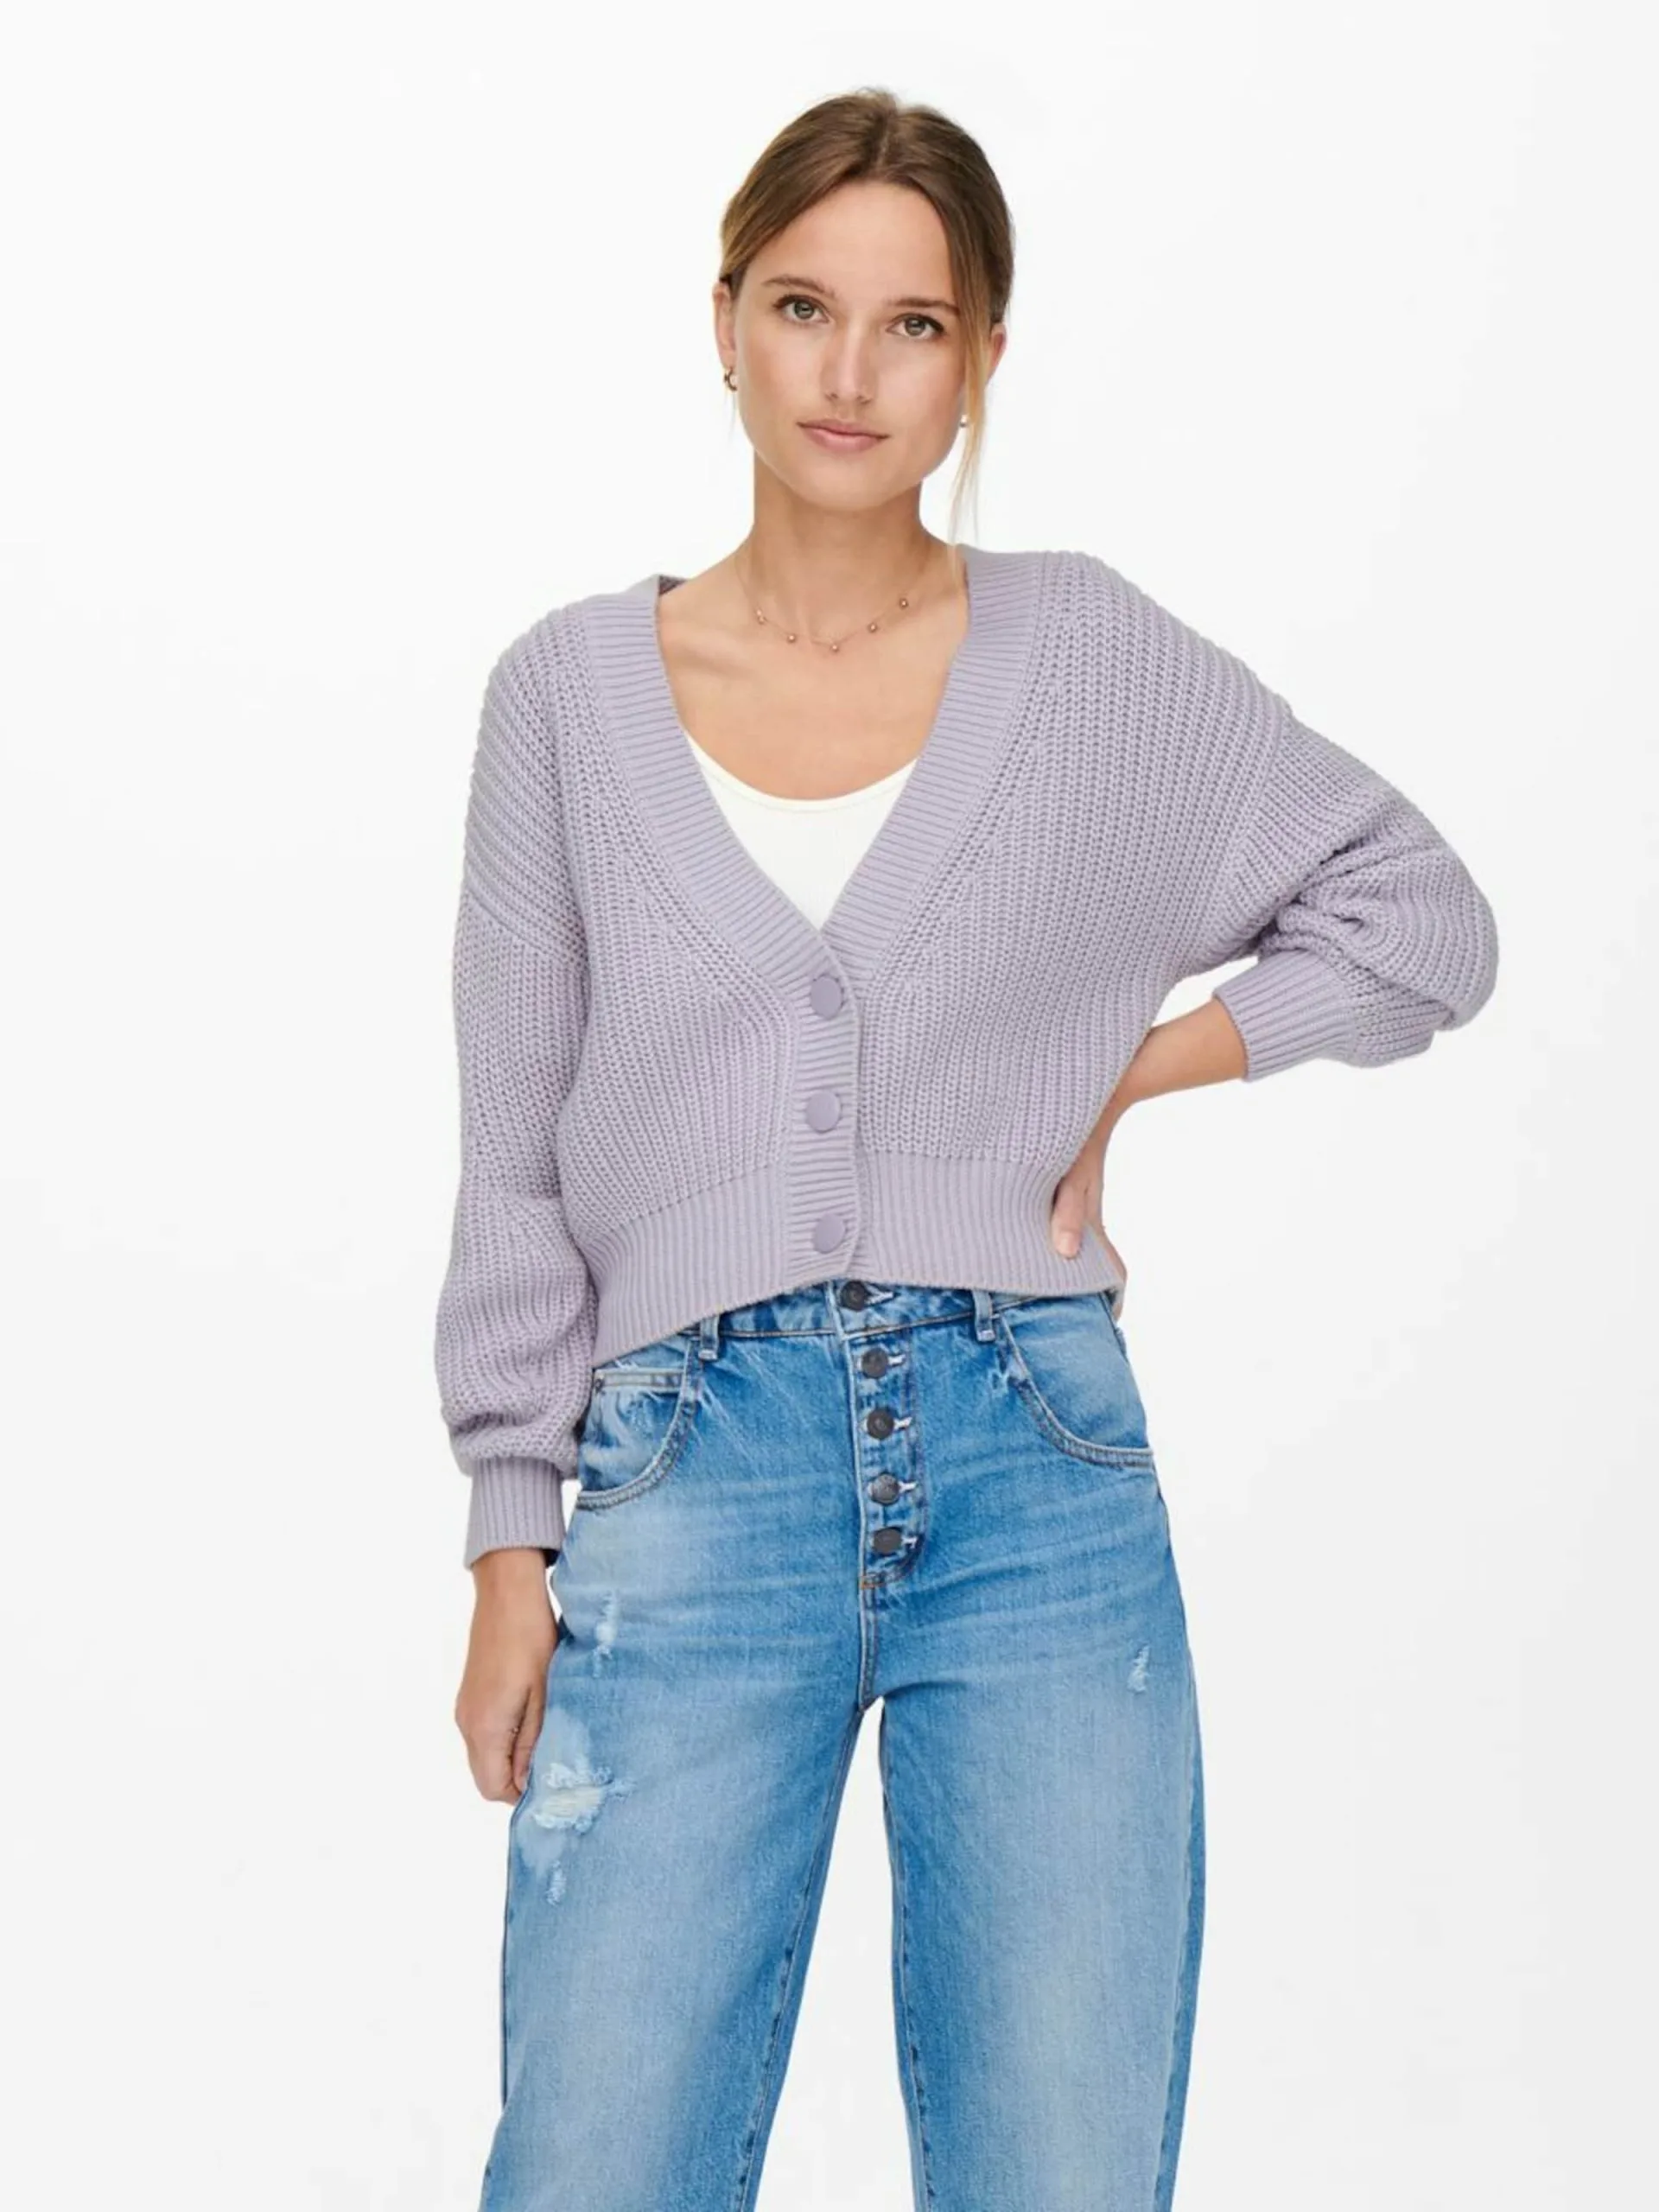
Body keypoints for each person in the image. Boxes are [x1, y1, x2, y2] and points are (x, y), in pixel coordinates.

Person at [435, 87, 1499, 2212]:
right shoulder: (563, 697)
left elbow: (1423, 921)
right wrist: (506, 1538)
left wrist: (1139, 1067)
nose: (851, 369)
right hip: (680, 1477)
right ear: (722, 321)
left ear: (984, 357)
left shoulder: (1090, 661)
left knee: (1060, 2166)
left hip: (1036, 1462)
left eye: (913, 324)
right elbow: (512, 1146)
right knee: (596, 2161)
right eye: (802, 306)